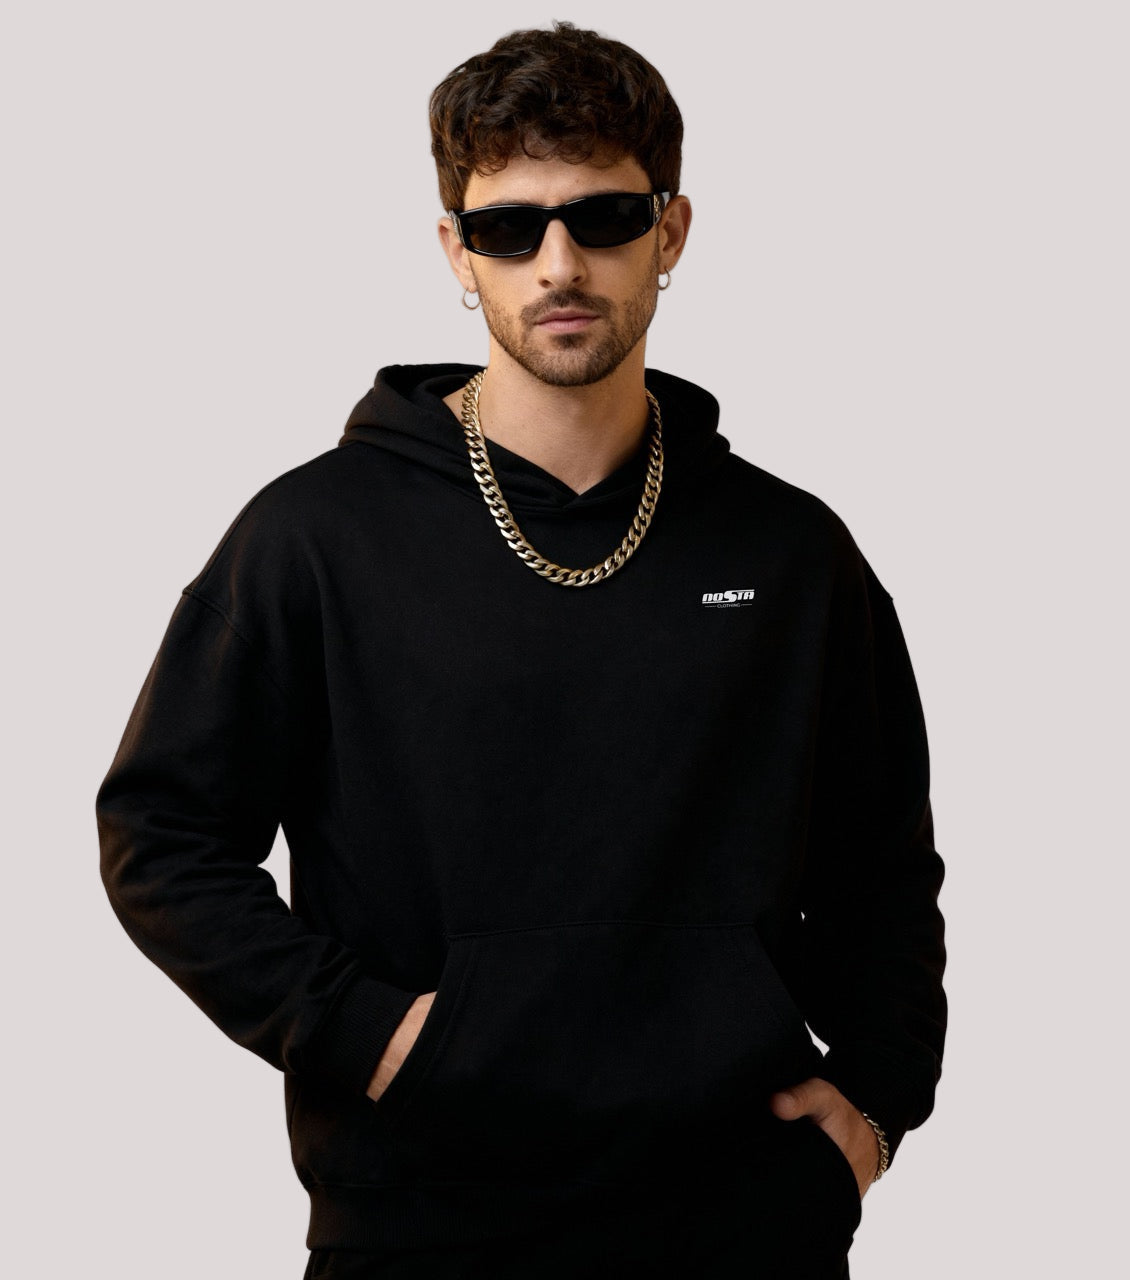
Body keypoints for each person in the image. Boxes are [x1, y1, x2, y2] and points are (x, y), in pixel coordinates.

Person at [97, 21, 946, 1280]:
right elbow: (161, 831)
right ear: (457, 250)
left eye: (602, 217)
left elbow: (880, 867)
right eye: (508, 227)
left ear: (669, 231)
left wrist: (874, 1105)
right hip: (422, 1225)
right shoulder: (318, 536)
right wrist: (367, 1031)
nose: (559, 263)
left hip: (742, 1225)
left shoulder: (789, 550)